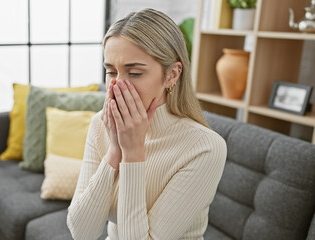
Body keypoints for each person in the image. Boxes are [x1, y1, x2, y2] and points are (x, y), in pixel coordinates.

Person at [67, 8, 227, 240]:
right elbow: (82, 233)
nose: (118, 86)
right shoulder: (100, 125)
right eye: (111, 71)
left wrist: (133, 152)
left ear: (172, 74)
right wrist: (115, 151)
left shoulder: (205, 147)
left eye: (134, 73)